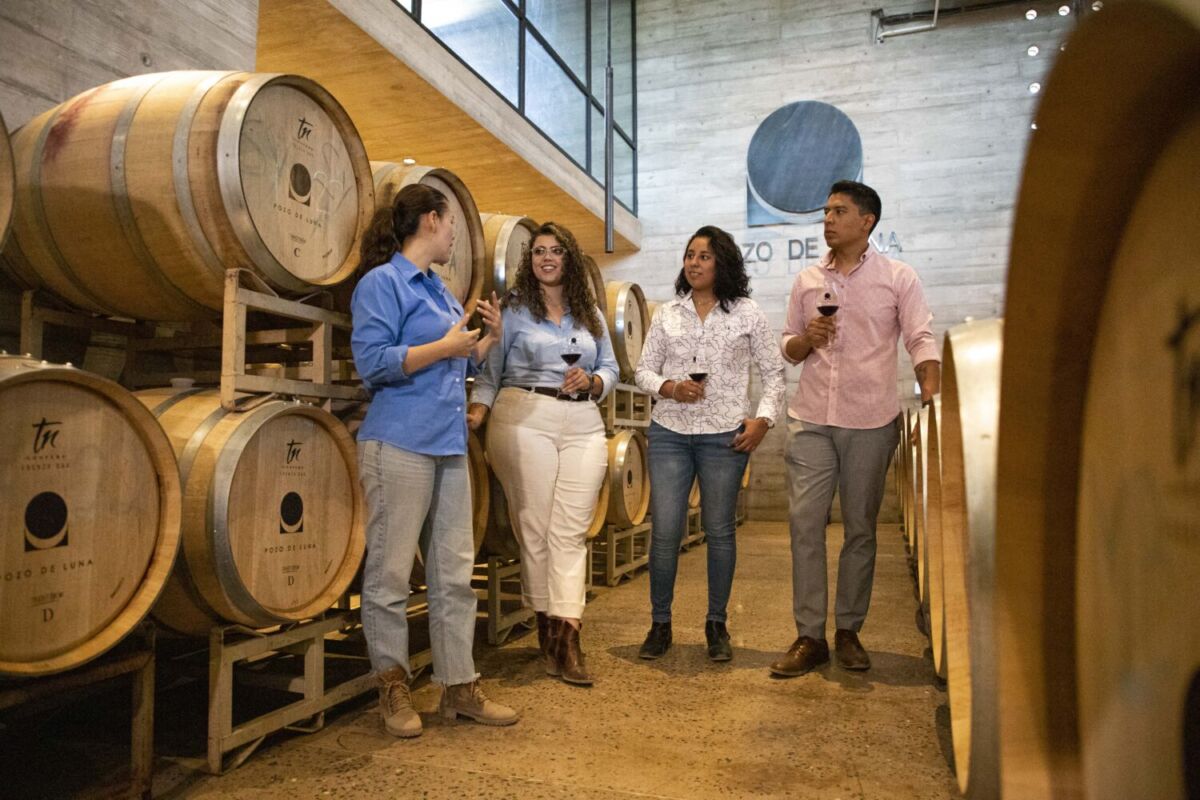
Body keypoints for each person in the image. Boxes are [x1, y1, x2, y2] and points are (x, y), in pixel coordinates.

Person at [351, 183, 519, 737]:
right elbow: (373, 363)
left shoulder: (443, 292)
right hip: (397, 442)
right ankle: (393, 686)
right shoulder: (383, 283)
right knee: (390, 574)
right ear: (429, 221)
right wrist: (448, 348)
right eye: (450, 224)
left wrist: (485, 343)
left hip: (447, 444)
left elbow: (456, 364)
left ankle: (459, 687)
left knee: (453, 575)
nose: (454, 235)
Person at [770, 180, 941, 677]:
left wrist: (930, 383)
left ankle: (848, 631)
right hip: (811, 420)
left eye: (838, 211)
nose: (827, 219)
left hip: (870, 420)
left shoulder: (898, 277)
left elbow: (920, 336)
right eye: (825, 211)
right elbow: (788, 346)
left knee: (860, 530)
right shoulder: (806, 280)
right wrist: (806, 339)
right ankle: (809, 636)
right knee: (805, 526)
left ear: (866, 221)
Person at [467, 222, 618, 687]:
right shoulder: (512, 310)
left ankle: (565, 635)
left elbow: (610, 366)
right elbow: (490, 374)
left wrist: (593, 382)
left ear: (568, 258)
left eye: (555, 251)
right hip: (523, 414)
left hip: (583, 422)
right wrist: (477, 411)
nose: (546, 258)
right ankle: (554, 634)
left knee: (570, 529)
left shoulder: (588, 311)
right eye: (538, 252)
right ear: (528, 260)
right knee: (535, 527)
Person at [633, 225, 785, 662]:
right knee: (664, 532)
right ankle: (660, 624)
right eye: (689, 255)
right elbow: (643, 371)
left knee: (720, 533)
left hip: (724, 436)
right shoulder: (668, 314)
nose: (694, 263)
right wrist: (669, 387)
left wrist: (763, 420)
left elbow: (774, 374)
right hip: (670, 435)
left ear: (722, 261)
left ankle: (716, 625)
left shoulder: (747, 313)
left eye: (704, 256)